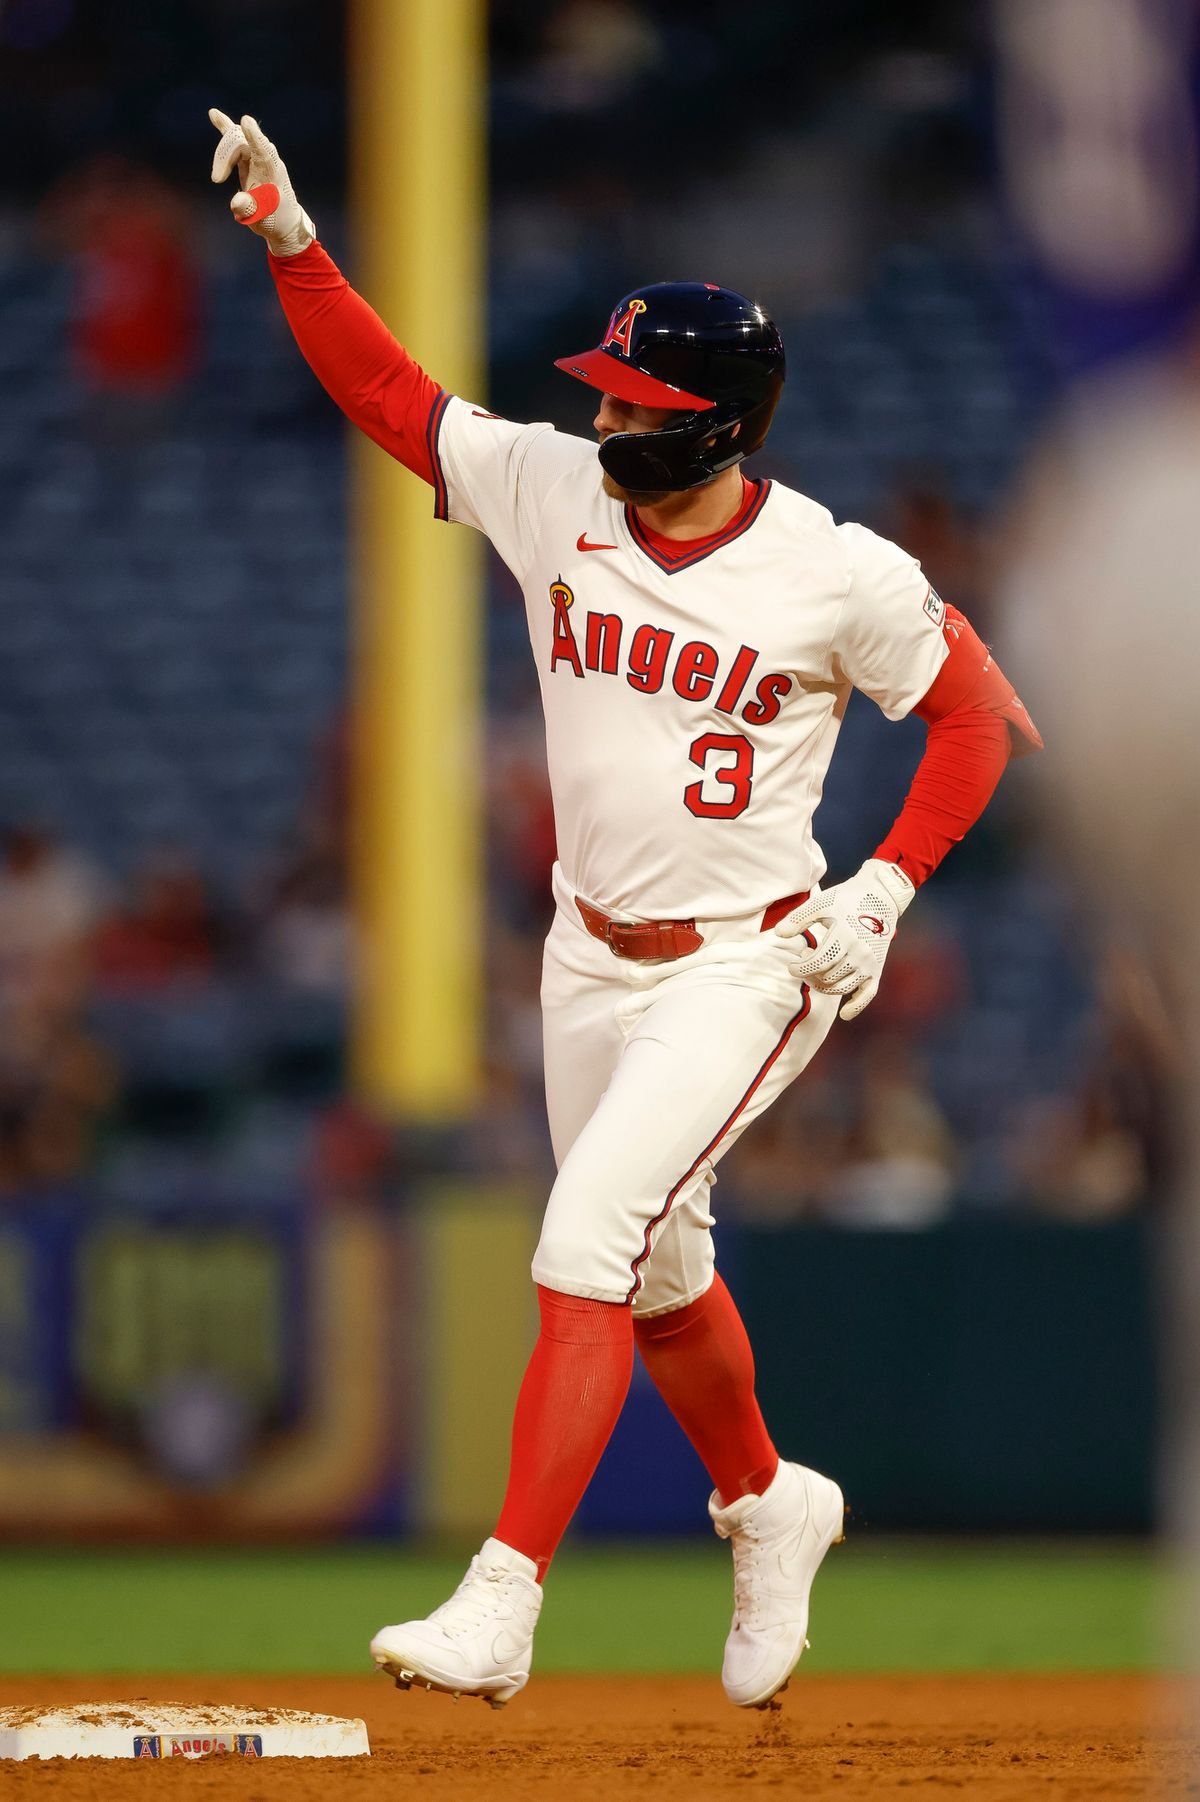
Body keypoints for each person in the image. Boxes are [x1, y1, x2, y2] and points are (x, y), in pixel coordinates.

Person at [209, 110, 1042, 1711]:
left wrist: (883, 888)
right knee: (657, 1275)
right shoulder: (550, 487)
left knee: (587, 1235)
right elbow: (396, 400)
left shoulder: (834, 570)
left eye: (643, 400)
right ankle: (770, 1502)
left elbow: (977, 716)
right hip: (587, 952)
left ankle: (504, 1599)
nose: (606, 412)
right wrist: (295, 244)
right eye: (608, 387)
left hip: (751, 962)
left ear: (724, 428)